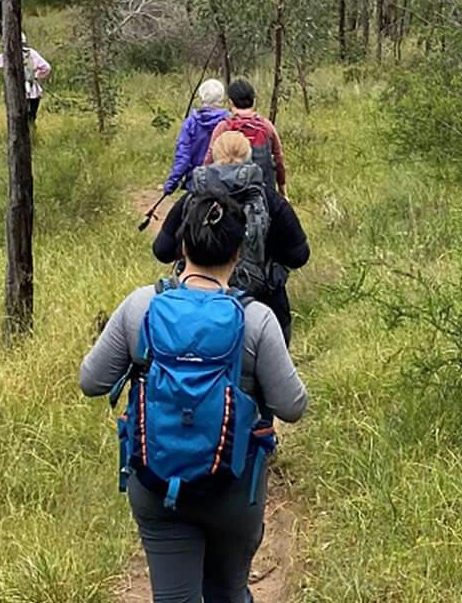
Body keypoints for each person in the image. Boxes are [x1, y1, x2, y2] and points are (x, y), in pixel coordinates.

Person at [81, 189, 307, 603]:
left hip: (156, 480)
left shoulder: (140, 307)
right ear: (239, 251)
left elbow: (92, 381)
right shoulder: (256, 320)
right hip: (233, 486)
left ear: (182, 245)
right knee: (227, 591)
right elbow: (292, 405)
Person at [155, 131, 309, 343]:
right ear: (249, 156)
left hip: (196, 307)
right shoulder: (269, 200)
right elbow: (299, 256)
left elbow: (161, 250)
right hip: (264, 307)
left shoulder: (193, 199)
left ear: (214, 157)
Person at [206, 78, 287, 198]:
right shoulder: (266, 126)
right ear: (254, 101)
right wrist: (282, 189)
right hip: (264, 195)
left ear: (230, 102)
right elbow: (279, 160)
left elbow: (209, 160)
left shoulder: (223, 127)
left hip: (228, 196)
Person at [160, 78, 229, 198]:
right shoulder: (230, 121)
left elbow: (183, 156)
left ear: (201, 96)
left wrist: (171, 183)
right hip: (225, 183)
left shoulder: (191, 123)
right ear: (222, 97)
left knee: (175, 216)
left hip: (196, 184)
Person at [0, 36, 51, 121]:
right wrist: (36, 75)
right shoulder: (31, 53)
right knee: (31, 117)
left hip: (14, 91)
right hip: (33, 91)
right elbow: (46, 67)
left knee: (17, 119)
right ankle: (32, 132)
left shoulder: (9, 54)